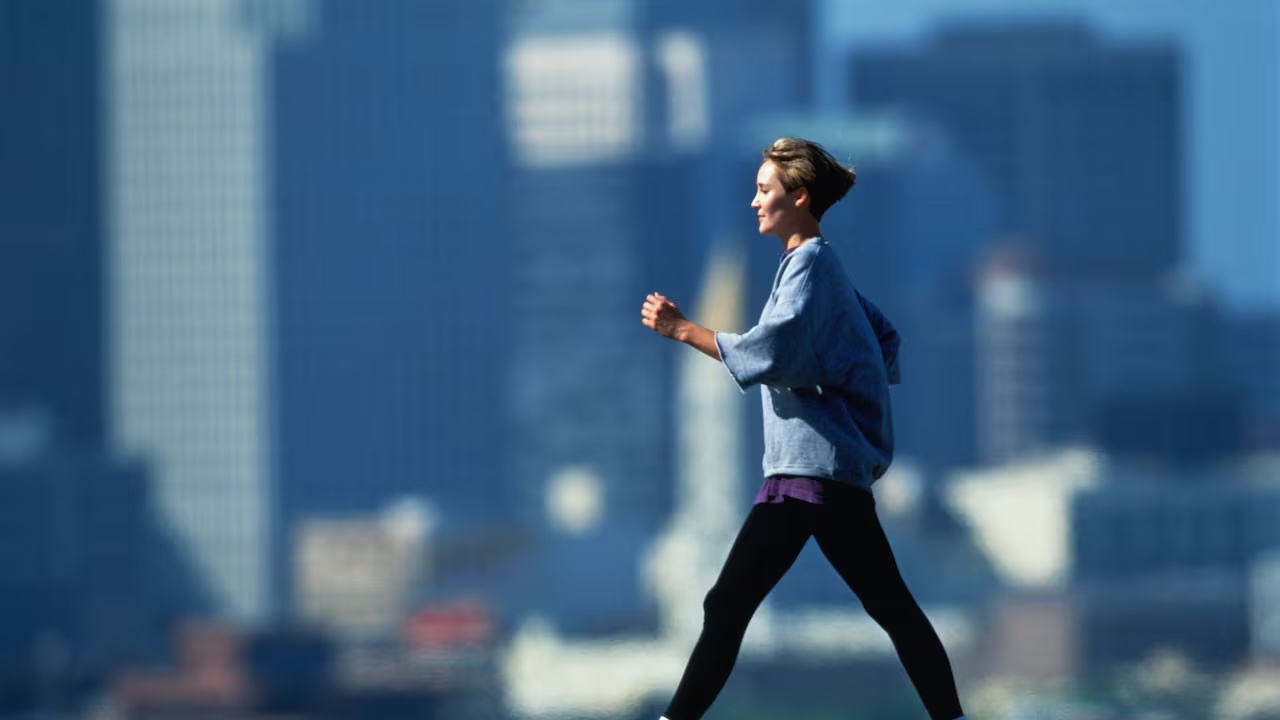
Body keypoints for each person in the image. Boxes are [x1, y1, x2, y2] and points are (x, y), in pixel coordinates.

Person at [640, 137, 967, 720]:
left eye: (765, 190)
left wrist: (682, 329)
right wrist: (844, 382)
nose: (754, 202)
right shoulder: (816, 266)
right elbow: (881, 339)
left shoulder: (811, 265)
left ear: (800, 197)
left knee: (735, 603)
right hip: (815, 474)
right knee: (879, 606)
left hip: (809, 477)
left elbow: (778, 347)